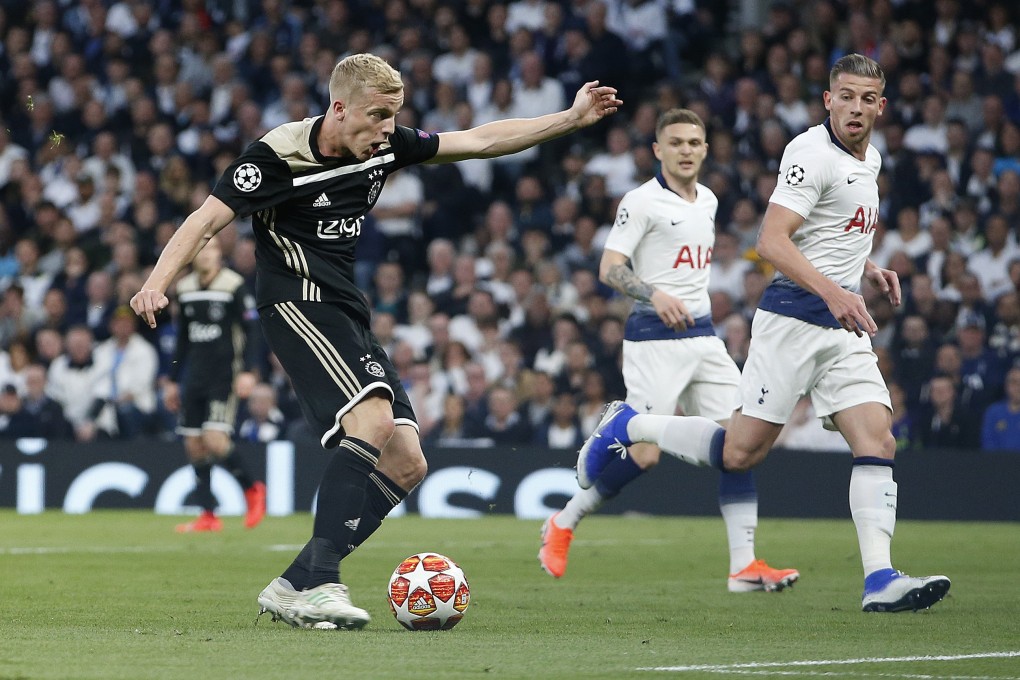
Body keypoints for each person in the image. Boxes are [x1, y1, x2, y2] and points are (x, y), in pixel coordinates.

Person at [130, 53, 622, 630]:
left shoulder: (385, 144)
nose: (388, 130)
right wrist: (155, 285)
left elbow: (482, 140)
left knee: (408, 463)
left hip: (345, 309)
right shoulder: (275, 157)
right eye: (378, 116)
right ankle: (320, 584)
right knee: (372, 423)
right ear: (339, 109)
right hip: (295, 302)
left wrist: (569, 117)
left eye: (394, 117)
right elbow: (204, 221)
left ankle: (293, 582)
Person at [577, 55, 951, 613]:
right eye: (844, 96)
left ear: (881, 106)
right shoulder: (809, 153)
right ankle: (630, 423)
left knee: (877, 438)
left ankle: (879, 579)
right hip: (796, 320)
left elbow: (834, 230)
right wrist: (834, 289)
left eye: (866, 99)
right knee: (741, 452)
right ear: (828, 100)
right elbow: (772, 241)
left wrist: (864, 269)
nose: (855, 107)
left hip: (842, 325)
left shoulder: (869, 157)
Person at [539, 109, 799, 593]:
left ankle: (743, 567)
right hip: (653, 338)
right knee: (643, 457)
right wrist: (653, 293)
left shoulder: (710, 201)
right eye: (675, 142)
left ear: (705, 149)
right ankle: (564, 522)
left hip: (703, 337)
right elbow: (610, 267)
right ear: (657, 150)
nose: (685, 150)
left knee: (740, 446)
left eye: (693, 143)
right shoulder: (641, 202)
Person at [163, 236, 267, 533]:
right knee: (194, 445)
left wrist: (249, 371)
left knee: (214, 439)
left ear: (220, 255)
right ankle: (208, 515)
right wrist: (172, 380)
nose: (206, 255)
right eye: (201, 250)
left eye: (212, 250)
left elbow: (252, 330)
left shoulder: (233, 285)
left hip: (224, 375)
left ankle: (253, 489)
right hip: (194, 376)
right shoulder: (184, 289)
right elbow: (182, 339)